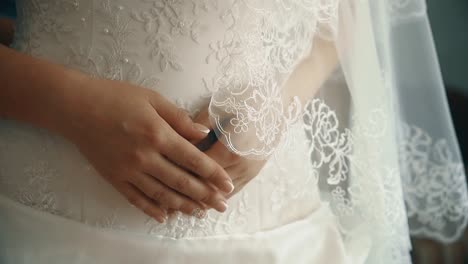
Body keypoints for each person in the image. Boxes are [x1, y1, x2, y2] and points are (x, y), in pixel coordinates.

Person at [0, 1, 467, 263]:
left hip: (279, 229)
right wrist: (70, 104)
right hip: (55, 224)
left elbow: (353, 10)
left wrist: (278, 106)